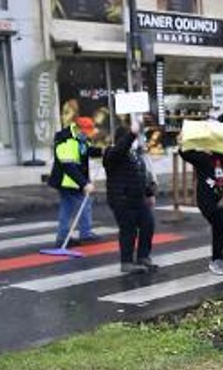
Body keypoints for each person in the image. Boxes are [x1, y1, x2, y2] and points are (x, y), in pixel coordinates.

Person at [103, 120, 157, 273]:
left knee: (148, 225)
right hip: (122, 199)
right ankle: (126, 262)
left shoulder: (134, 155)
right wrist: (131, 134)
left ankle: (143, 257)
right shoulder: (111, 153)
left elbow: (140, 175)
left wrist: (149, 193)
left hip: (138, 198)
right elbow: (120, 149)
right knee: (129, 230)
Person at [47, 116, 102, 247]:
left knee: (67, 208)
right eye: (85, 132)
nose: (86, 135)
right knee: (84, 204)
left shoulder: (80, 139)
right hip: (67, 181)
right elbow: (68, 166)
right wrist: (84, 184)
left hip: (73, 181)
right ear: (78, 129)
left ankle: (62, 238)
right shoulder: (65, 141)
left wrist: (103, 151)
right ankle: (85, 234)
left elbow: (86, 151)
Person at [179, 146, 223, 275]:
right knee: (219, 226)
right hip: (206, 199)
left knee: (221, 229)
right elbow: (185, 154)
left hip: (221, 198)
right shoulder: (202, 157)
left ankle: (218, 259)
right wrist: (183, 143)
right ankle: (216, 260)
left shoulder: (221, 156)